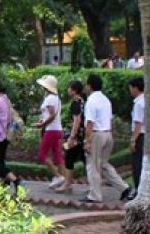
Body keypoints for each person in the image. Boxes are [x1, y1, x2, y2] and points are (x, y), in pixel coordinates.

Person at [81, 74, 130, 203]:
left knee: (93, 165)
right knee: (103, 164)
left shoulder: (91, 101)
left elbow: (90, 123)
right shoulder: (105, 100)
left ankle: (95, 195)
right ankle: (123, 187)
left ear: (89, 86)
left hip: (97, 134)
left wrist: (87, 140)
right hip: (107, 133)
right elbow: (110, 119)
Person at [32, 75, 67, 189]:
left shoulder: (50, 98)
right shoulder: (56, 98)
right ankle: (65, 179)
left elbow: (51, 116)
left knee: (42, 154)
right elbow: (51, 115)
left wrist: (42, 124)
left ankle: (58, 176)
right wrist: (43, 121)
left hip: (51, 129)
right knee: (57, 155)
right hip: (57, 129)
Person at [55, 80, 86, 194]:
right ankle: (92, 186)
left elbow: (77, 120)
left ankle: (67, 183)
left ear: (74, 90)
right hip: (84, 136)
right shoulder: (83, 101)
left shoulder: (75, 103)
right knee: (85, 160)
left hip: (77, 137)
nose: (68, 90)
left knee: (69, 158)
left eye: (69, 88)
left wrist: (72, 137)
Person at [127, 77, 144, 199]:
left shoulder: (138, 103)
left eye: (131, 88)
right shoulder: (145, 100)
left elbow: (138, 123)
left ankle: (139, 189)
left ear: (135, 88)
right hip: (145, 134)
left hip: (140, 135)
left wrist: (133, 139)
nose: (130, 91)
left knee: (137, 164)